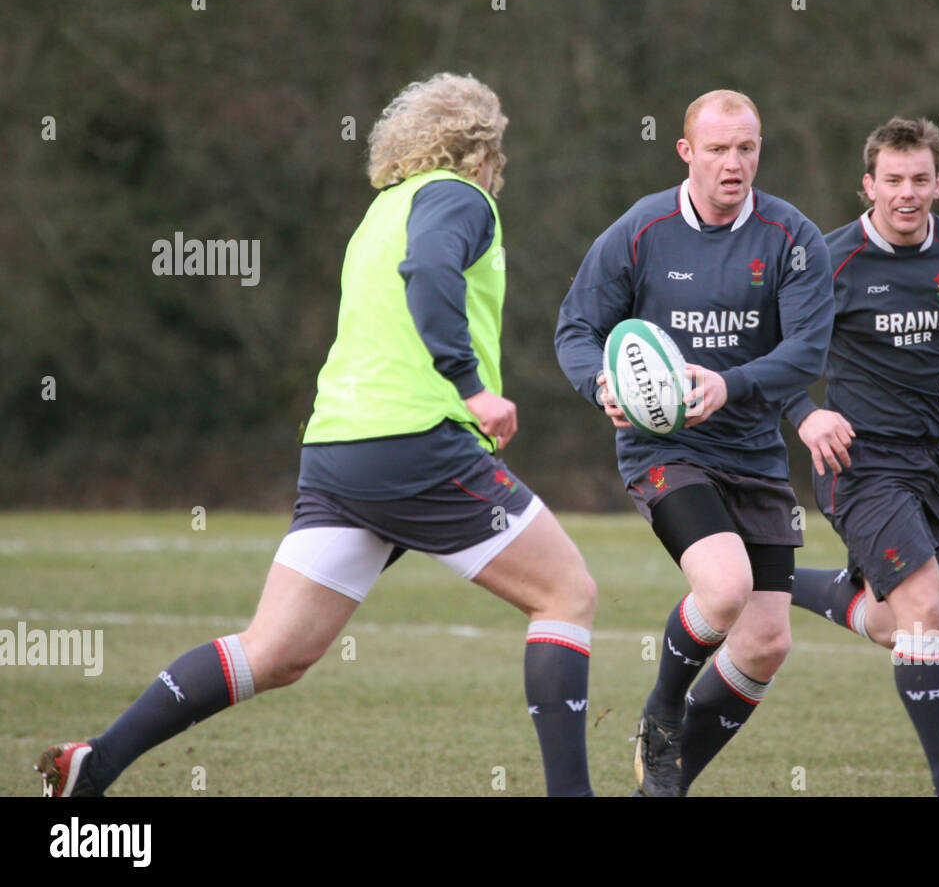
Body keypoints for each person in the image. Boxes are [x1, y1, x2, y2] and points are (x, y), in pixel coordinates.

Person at [37, 73, 598, 798]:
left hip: (338, 451)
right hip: (418, 442)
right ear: (480, 151)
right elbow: (429, 272)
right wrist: (473, 387)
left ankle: (97, 762)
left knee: (275, 651)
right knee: (566, 593)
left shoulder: (379, 213)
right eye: (498, 156)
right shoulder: (461, 196)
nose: (499, 171)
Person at [555, 89, 833, 796]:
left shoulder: (792, 237)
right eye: (717, 149)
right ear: (687, 152)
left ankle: (662, 785)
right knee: (725, 584)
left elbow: (807, 351)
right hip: (666, 451)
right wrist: (601, 387)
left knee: (767, 640)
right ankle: (660, 711)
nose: (733, 163)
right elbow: (575, 330)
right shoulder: (641, 231)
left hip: (754, 454)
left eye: (747, 148)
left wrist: (730, 384)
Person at [783, 117, 939, 796]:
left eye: (920, 178)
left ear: (938, 182)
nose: (906, 192)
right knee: (925, 605)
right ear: (868, 185)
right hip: (856, 464)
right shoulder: (829, 262)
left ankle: (769, 579)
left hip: (927, 463)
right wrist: (807, 413)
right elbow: (767, 356)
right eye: (892, 180)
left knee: (898, 623)